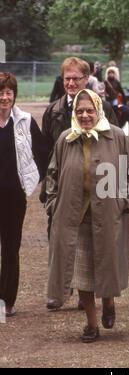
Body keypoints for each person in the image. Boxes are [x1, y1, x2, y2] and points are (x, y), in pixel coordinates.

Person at [46, 89, 129, 342]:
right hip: (73, 218)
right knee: (81, 273)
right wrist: (52, 203)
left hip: (107, 215)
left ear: (99, 111)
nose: (85, 115)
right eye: (80, 111)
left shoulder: (116, 137)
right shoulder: (66, 138)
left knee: (106, 263)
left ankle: (108, 302)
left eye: (90, 110)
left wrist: (124, 202)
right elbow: (52, 173)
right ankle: (91, 324)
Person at [42, 57, 119, 310]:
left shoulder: (103, 107)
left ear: (87, 79)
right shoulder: (53, 111)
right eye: (67, 79)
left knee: (91, 242)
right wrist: (50, 197)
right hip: (64, 191)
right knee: (60, 240)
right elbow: (45, 155)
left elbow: (116, 148)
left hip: (97, 188)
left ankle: (88, 290)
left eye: (76, 78)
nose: (71, 83)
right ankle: (62, 289)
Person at [0, 72, 48, 317]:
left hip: (13, 197)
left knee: (10, 248)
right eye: (1, 93)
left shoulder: (25, 121)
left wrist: (30, 180)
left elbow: (42, 153)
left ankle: (7, 300)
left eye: (9, 92)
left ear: (14, 95)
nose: (4, 97)